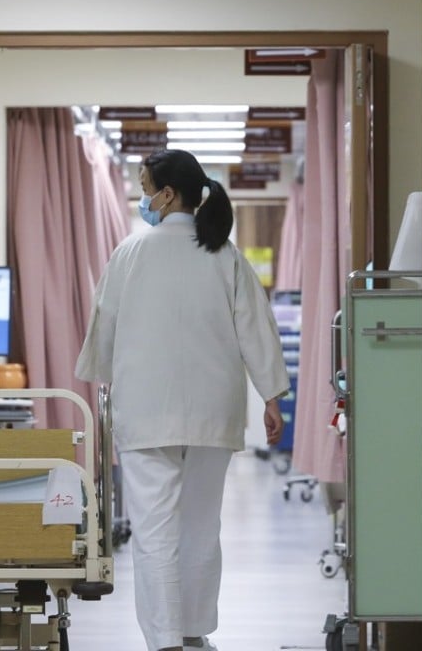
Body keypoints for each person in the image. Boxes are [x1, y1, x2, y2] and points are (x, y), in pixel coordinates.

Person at [75, 148, 290, 651]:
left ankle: (166, 639)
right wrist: (272, 396)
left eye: (146, 188)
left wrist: (105, 376)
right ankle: (193, 631)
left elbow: (105, 327)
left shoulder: (130, 253)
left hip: (146, 411)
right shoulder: (225, 255)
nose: (143, 197)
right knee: (200, 526)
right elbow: (257, 328)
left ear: (168, 194)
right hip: (214, 413)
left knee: (154, 531)